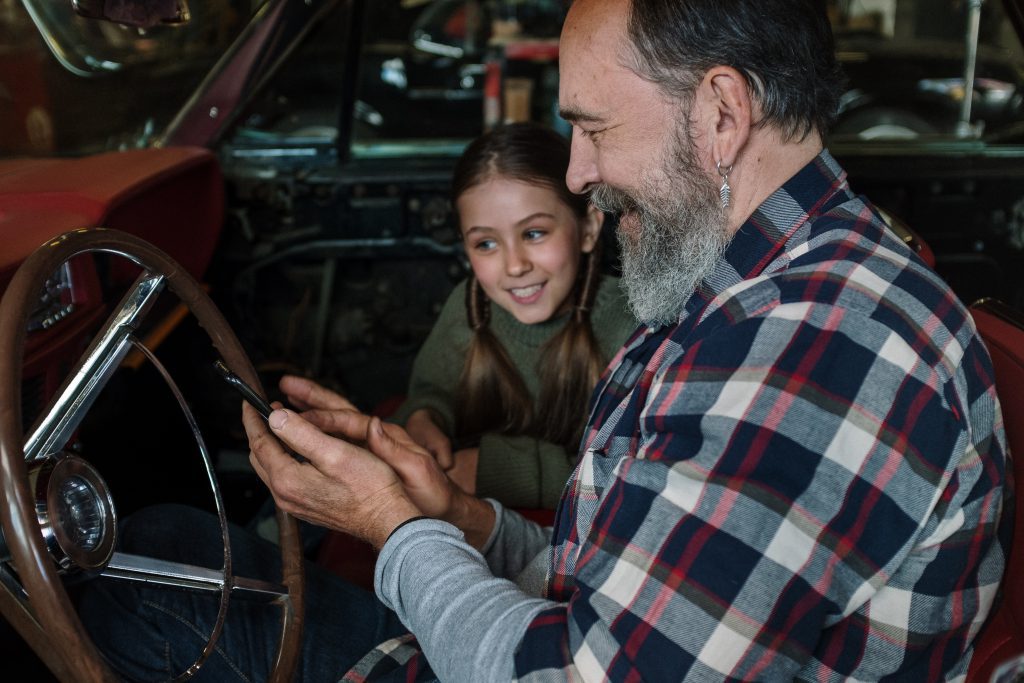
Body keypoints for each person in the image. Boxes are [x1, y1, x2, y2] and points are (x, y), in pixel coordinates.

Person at [82, 0, 1008, 681]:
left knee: (129, 591)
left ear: (721, 115)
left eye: (594, 127)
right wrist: (453, 510)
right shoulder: (745, 290)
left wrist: (394, 532)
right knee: (160, 545)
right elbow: (620, 577)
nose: (579, 171)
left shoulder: (819, 350)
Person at [391, 121, 635, 509]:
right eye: (486, 243)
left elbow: (633, 475)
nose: (515, 265)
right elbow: (433, 392)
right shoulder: (469, 308)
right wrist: (425, 417)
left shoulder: (632, 326)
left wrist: (493, 469)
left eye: (534, 233)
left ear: (588, 226)